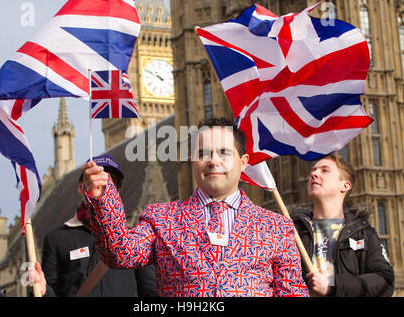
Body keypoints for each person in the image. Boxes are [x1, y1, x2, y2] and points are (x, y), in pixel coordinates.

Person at [81, 117, 309, 297]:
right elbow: (119, 254)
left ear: (243, 163)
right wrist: (104, 199)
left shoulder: (276, 226)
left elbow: (292, 292)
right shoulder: (161, 218)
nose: (212, 161)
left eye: (223, 153)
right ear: (192, 162)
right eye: (203, 153)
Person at [31, 154, 158, 297]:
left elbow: (151, 291)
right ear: (81, 187)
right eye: (93, 181)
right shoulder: (57, 239)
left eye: (109, 183)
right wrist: (42, 291)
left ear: (117, 192)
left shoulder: (134, 238)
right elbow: (50, 290)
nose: (101, 187)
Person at [291, 153, 394, 296]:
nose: (314, 174)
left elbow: (385, 281)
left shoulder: (363, 233)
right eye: (312, 171)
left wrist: (332, 284)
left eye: (324, 170)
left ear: (345, 186)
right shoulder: (292, 230)